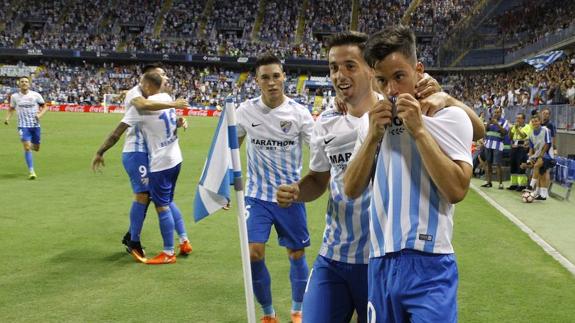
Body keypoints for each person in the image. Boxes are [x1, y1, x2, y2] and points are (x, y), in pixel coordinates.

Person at [277, 31, 483, 323]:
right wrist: (372, 135)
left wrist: (437, 110)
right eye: (334, 67)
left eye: (349, 65)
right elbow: (344, 185)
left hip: (415, 257)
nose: (393, 88)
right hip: (362, 257)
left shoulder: (439, 111)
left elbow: (461, 176)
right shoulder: (349, 123)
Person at [343, 25, 473, 323]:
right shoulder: (369, 124)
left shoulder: (449, 117)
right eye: (381, 80)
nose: (391, 89)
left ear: (418, 69)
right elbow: (351, 189)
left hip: (430, 262)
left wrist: (418, 130)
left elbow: (457, 190)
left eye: (399, 76)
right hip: (379, 261)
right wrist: (373, 136)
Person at [236, 53, 314, 323]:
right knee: (253, 253)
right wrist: (223, 185)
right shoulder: (245, 111)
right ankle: (268, 313)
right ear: (256, 81)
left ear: (284, 77)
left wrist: (305, 186)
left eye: (276, 76)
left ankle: (297, 309)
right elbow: (229, 148)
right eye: (265, 77)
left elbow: (317, 151)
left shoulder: (299, 113)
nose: (271, 82)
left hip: (289, 197)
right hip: (256, 196)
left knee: (296, 253)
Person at [91, 64, 189, 260]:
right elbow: (139, 111)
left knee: (163, 199)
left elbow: (161, 116)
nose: (165, 78)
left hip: (152, 152)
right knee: (145, 195)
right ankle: (133, 240)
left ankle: (183, 239)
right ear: (148, 79)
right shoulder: (136, 96)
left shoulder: (160, 97)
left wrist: (177, 120)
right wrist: (100, 151)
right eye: (162, 74)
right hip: (136, 150)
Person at [129, 71, 191, 264]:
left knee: (161, 206)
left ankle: (168, 252)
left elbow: (142, 104)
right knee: (169, 201)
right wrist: (177, 115)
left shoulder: (144, 106)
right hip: (175, 158)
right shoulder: (166, 97)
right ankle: (184, 240)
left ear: (147, 86)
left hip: (161, 163)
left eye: (141, 85)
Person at [4, 76, 48, 179]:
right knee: (27, 147)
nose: (24, 83)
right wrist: (7, 118)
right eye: (22, 81)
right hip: (22, 126)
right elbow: (11, 108)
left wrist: (39, 115)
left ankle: (29, 145)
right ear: (19, 84)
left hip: (35, 125)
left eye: (26, 82)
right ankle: (32, 171)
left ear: (29, 84)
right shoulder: (14, 97)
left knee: (36, 148)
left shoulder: (36, 95)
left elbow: (45, 107)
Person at [525, 114, 554, 201]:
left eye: (536, 121)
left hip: (547, 154)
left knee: (536, 166)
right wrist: (530, 157)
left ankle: (531, 185)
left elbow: (547, 143)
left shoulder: (546, 130)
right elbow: (531, 147)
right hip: (538, 154)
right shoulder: (530, 134)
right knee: (542, 174)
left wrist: (541, 155)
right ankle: (543, 195)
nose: (535, 123)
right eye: (533, 121)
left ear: (540, 121)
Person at [482, 106, 509, 189]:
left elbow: (505, 132)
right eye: (495, 112)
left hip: (498, 145)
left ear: (501, 113)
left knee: (498, 164)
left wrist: (497, 124)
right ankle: (489, 182)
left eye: (498, 112)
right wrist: (489, 123)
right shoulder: (489, 121)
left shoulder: (504, 121)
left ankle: (500, 184)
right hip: (488, 144)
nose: (496, 114)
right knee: (488, 163)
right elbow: (485, 131)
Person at [507, 112, 532, 191]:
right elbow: (510, 137)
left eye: (519, 118)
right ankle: (514, 184)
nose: (517, 120)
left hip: (522, 148)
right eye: (517, 118)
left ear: (523, 119)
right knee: (513, 165)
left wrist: (517, 128)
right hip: (514, 147)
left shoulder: (527, 127)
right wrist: (510, 129)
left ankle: (522, 185)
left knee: (520, 165)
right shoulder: (515, 126)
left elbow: (523, 136)